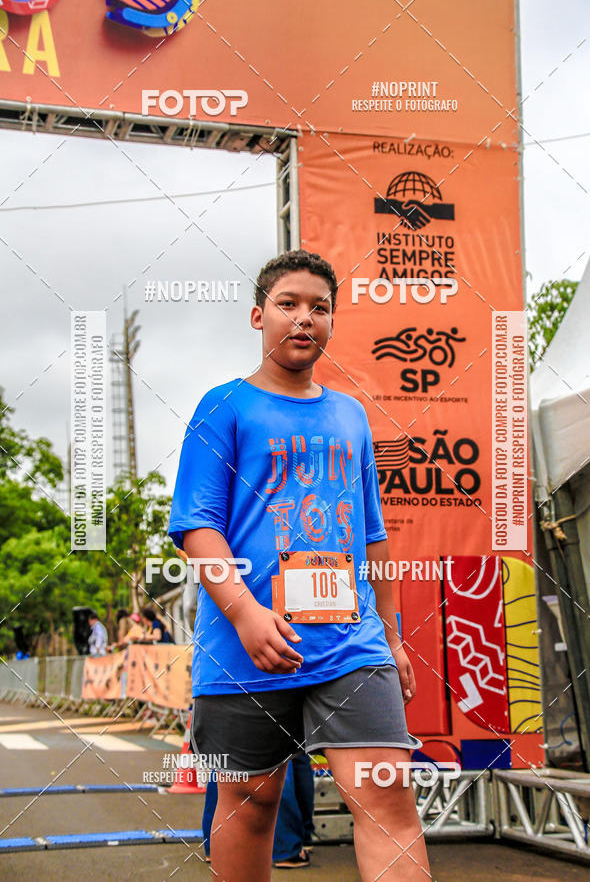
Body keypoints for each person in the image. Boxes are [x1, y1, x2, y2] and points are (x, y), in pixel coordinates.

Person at [169, 249, 429, 880]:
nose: (303, 318)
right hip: (243, 647)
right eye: (288, 304)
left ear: (334, 323)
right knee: (249, 803)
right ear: (259, 316)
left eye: (320, 307)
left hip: (351, 646)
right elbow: (197, 528)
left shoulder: (351, 413)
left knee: (386, 796)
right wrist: (247, 613)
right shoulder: (224, 406)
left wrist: (392, 639)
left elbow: (372, 537)